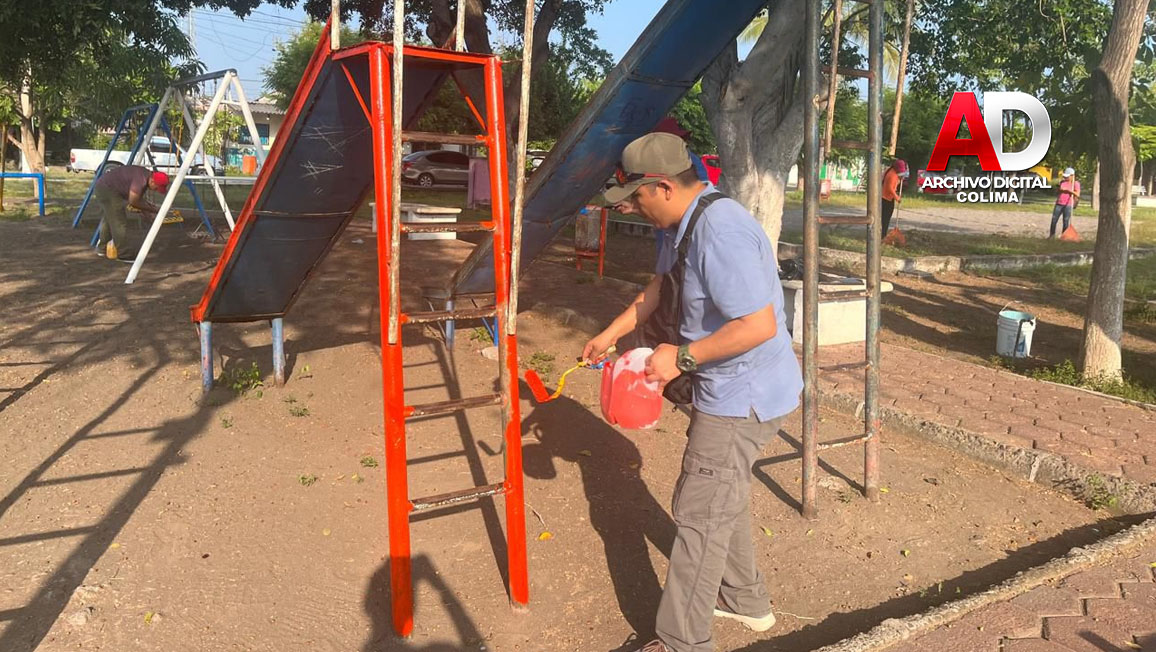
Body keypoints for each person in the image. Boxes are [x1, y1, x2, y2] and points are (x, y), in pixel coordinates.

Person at [583, 133, 803, 652]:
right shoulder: (678, 223)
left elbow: (758, 326)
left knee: (700, 511)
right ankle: (745, 599)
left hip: (743, 395)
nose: (634, 207)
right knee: (720, 493)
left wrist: (680, 357)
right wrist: (612, 333)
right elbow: (660, 286)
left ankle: (681, 641)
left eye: (637, 196)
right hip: (727, 386)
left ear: (663, 186)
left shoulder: (720, 231)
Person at [93, 165, 169, 261]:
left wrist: (146, 213)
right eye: (157, 188)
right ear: (152, 181)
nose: (156, 190)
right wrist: (154, 210)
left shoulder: (144, 176)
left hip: (104, 186)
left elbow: (139, 200)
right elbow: (133, 202)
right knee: (118, 222)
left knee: (110, 218)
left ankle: (102, 248)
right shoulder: (140, 180)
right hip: (108, 189)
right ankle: (123, 254)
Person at [1049, 167, 1080, 238]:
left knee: (1066, 221)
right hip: (1059, 203)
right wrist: (1059, 189)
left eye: (1067, 176)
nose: (1065, 178)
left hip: (1068, 204)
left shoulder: (1076, 183)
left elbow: (1077, 194)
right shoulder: (1062, 182)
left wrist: (1068, 191)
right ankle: (1051, 235)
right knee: (1054, 219)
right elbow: (1059, 190)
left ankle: (1064, 236)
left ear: (1072, 176)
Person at [881, 159, 908, 235]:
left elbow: (894, 184)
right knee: (885, 218)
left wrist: (900, 179)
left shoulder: (892, 171)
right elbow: (890, 188)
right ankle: (883, 235)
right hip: (886, 198)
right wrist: (897, 197)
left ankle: (883, 233)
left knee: (885, 218)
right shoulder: (892, 175)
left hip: (887, 197)